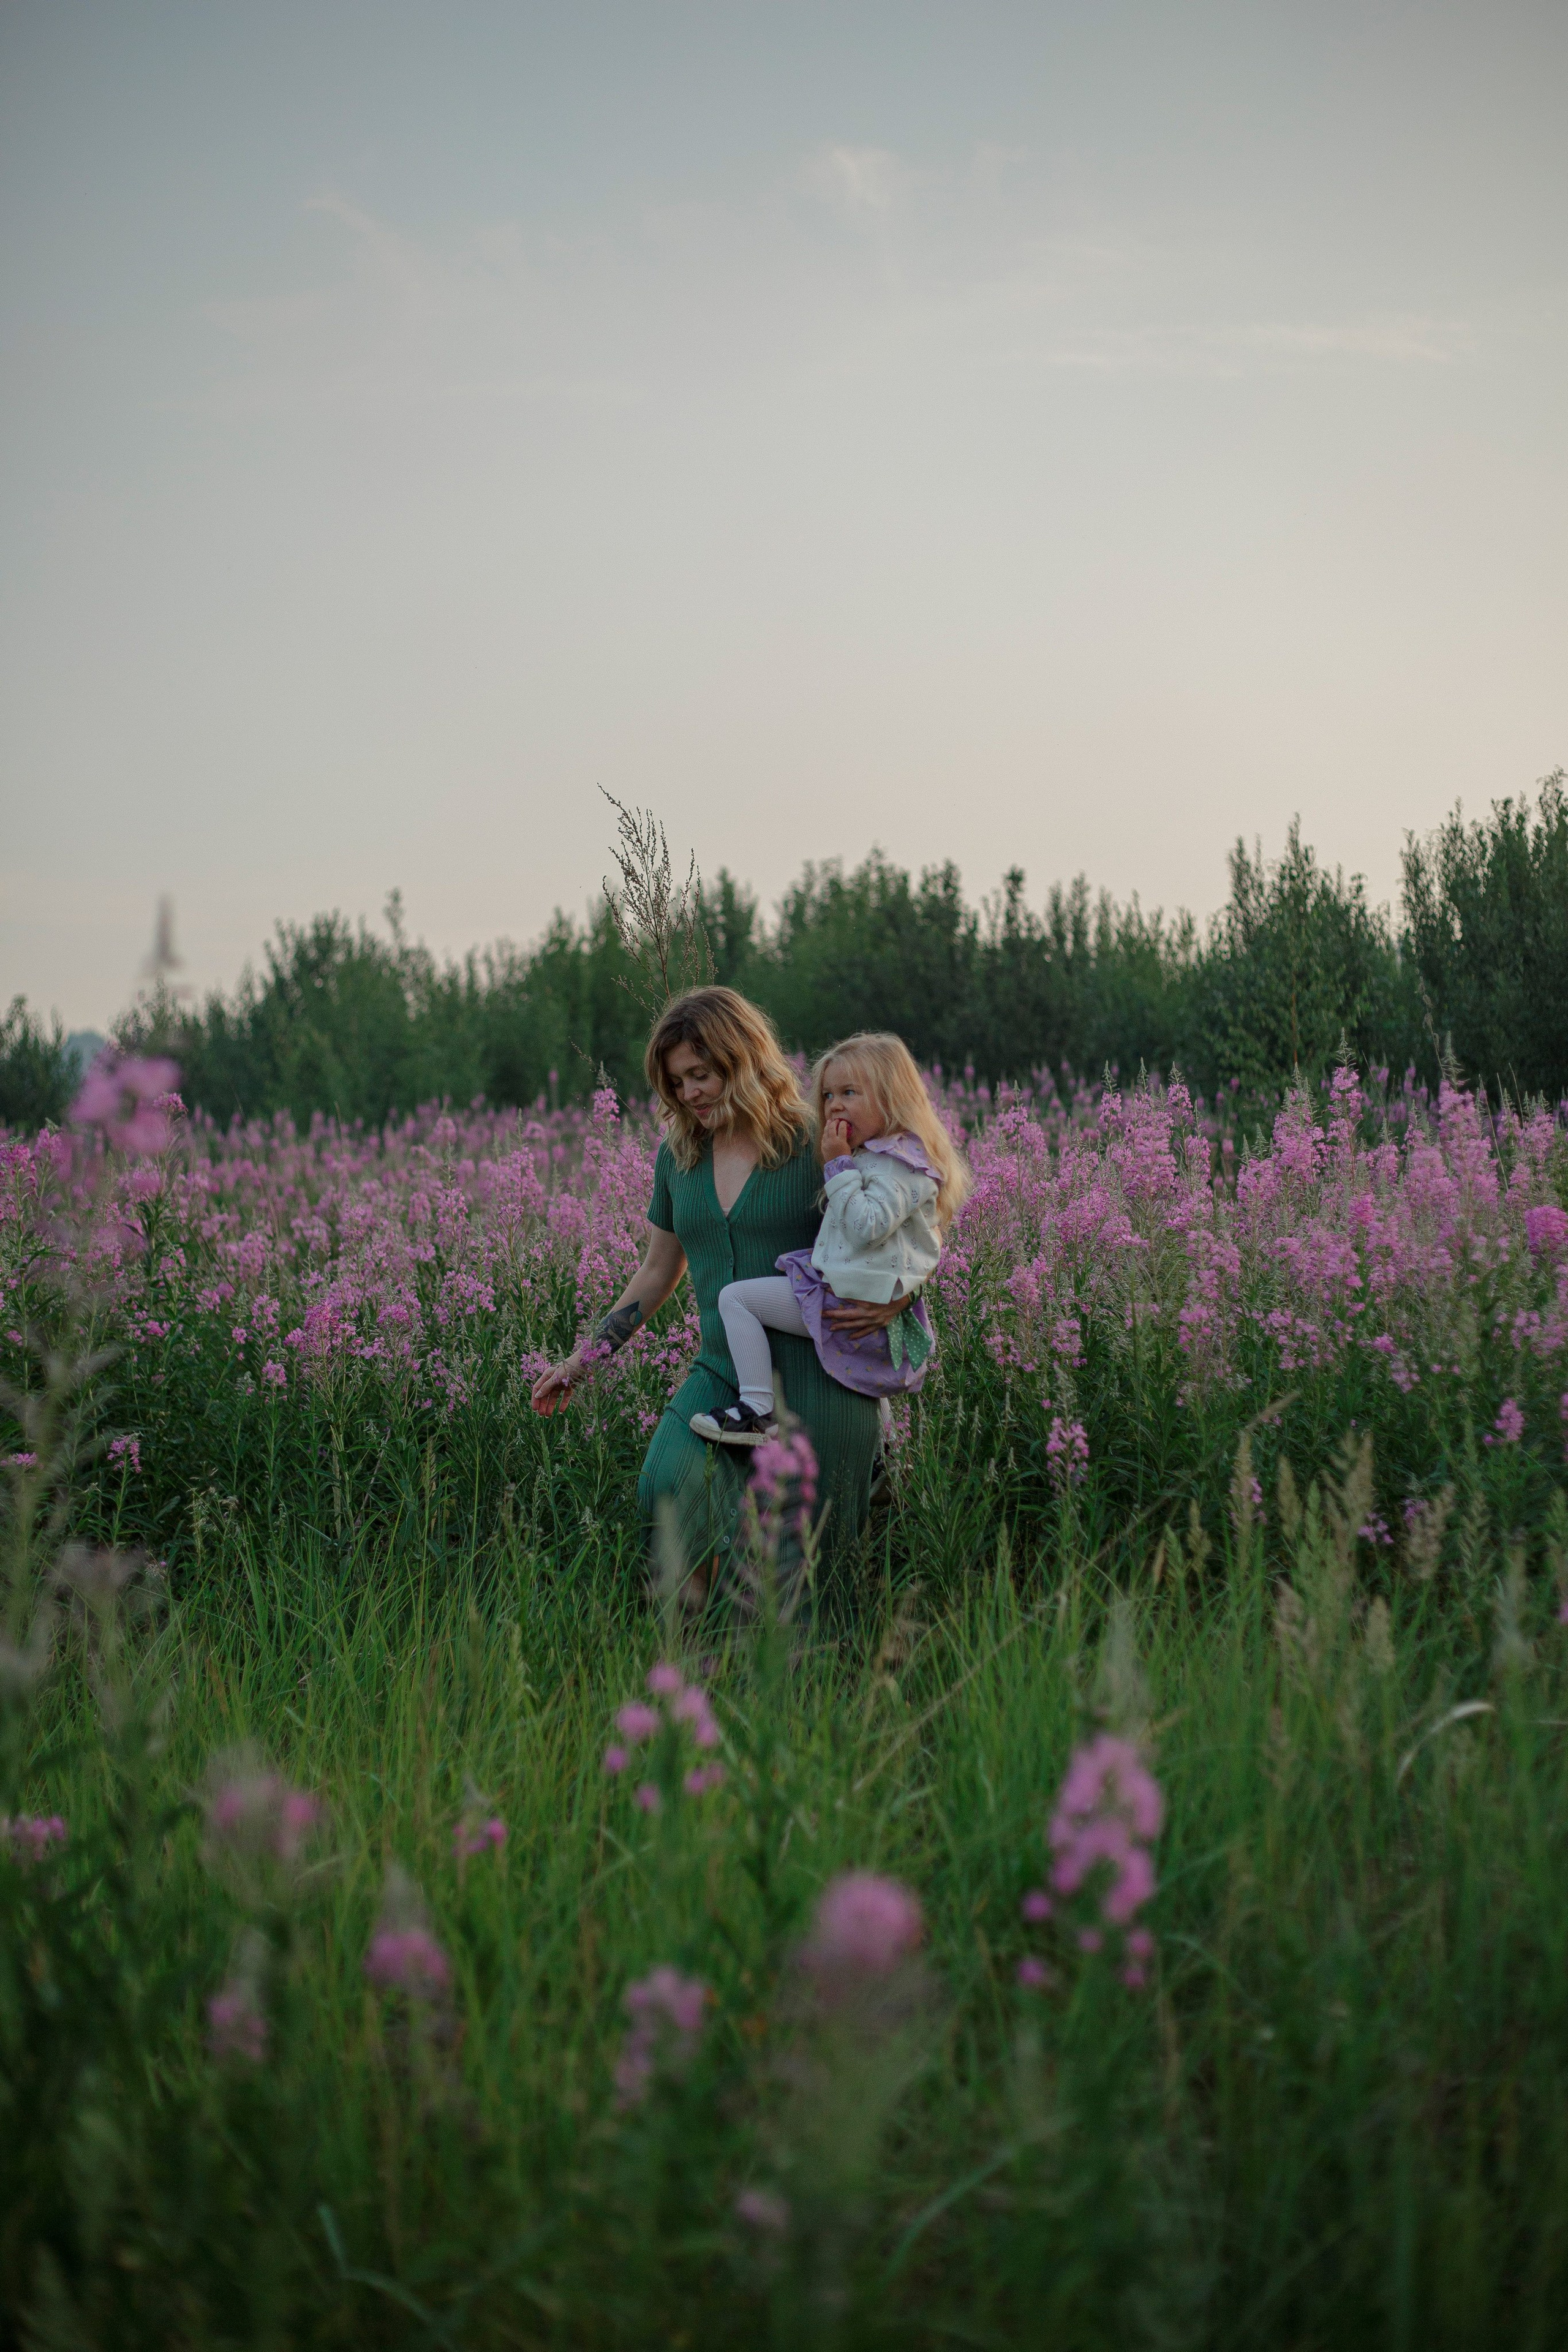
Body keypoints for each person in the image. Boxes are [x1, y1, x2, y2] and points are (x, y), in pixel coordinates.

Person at [529, 987, 899, 1579]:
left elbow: (901, 1223)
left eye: (700, 1075)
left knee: (817, 1564)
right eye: (676, 1083)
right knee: (668, 1488)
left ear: (742, 1060)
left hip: (824, 1378)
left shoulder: (818, 1140)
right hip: (723, 1375)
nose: (688, 1094)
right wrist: (583, 1360)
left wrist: (898, 1299)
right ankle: (707, 1630)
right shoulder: (679, 1157)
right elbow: (658, 1269)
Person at [690, 1031, 970, 1444]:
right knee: (866, 1385)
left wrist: (838, 1165)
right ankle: (887, 1454)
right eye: (827, 1095)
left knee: (736, 1299)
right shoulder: (886, 1157)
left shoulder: (897, 1165)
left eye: (849, 1092)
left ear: (892, 1098)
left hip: (847, 1299)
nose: (834, 1105)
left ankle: (756, 1410)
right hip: (855, 1292)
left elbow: (866, 1226)